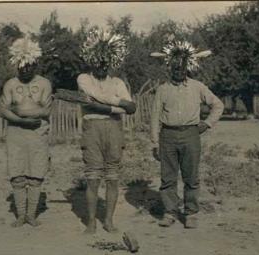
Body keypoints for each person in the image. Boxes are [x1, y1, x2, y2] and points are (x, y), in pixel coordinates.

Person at [150, 40, 224, 229]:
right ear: (170, 68)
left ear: (188, 68)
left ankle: (190, 213)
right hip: (167, 136)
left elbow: (218, 105)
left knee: (191, 176)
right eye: (175, 68)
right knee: (168, 177)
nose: (179, 71)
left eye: (182, 68)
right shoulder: (162, 89)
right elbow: (155, 116)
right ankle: (170, 212)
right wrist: (155, 143)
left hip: (191, 135)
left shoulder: (197, 87)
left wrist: (206, 124)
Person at [77, 28, 137, 234]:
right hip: (92, 128)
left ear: (110, 62)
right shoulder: (83, 79)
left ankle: (109, 220)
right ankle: (91, 221)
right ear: (91, 60)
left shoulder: (117, 82)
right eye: (98, 61)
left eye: (105, 62)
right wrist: (118, 106)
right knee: (93, 176)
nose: (102, 65)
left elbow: (132, 107)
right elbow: (94, 100)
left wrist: (104, 106)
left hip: (114, 129)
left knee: (112, 176)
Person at [0, 37, 53, 227]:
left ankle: (32, 215)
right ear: (17, 65)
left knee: (36, 175)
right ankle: (21, 215)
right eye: (22, 66)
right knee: (17, 175)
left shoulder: (44, 84)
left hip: (38, 135)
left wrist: (21, 111)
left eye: (30, 66)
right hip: (16, 135)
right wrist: (21, 119)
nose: (26, 70)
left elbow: (46, 110)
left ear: (35, 64)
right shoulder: (10, 85)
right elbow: (3, 109)